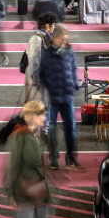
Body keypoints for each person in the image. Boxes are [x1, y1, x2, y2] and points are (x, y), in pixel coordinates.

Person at [4, 100, 51, 218]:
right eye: (41, 115)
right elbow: (12, 167)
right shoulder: (19, 136)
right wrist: (12, 193)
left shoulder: (38, 134)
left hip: (40, 191)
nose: (45, 118)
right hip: (24, 192)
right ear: (31, 116)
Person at [39, 25, 84, 171]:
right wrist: (48, 89)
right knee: (52, 129)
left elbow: (73, 69)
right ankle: (54, 157)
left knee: (71, 128)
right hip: (52, 98)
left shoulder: (69, 52)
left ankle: (71, 158)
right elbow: (42, 75)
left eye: (65, 37)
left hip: (67, 96)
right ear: (53, 38)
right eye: (62, 37)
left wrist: (74, 85)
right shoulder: (46, 54)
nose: (64, 39)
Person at [24, 13, 55, 104]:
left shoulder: (46, 37)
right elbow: (34, 59)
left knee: (44, 105)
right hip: (38, 78)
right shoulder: (37, 38)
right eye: (53, 25)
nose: (54, 27)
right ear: (47, 26)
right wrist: (35, 78)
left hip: (44, 76)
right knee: (39, 106)